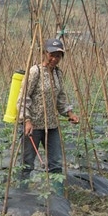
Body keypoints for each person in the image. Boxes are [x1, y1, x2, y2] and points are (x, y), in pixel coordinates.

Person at [16, 38, 79, 195]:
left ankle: (57, 196)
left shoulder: (58, 73)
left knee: (55, 162)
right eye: (51, 55)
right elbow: (23, 97)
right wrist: (27, 120)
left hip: (52, 125)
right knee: (27, 162)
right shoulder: (34, 71)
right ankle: (21, 195)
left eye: (58, 56)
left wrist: (69, 113)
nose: (54, 59)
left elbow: (61, 97)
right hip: (33, 125)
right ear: (44, 53)